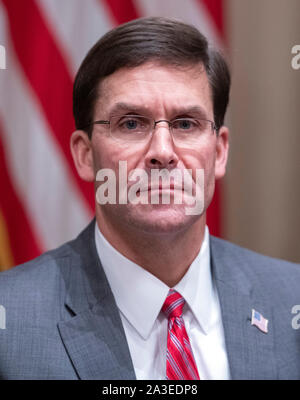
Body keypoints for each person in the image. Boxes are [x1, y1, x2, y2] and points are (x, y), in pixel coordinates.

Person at [0, 17, 299, 380]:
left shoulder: (290, 301)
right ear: (84, 154)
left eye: (186, 123)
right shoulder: (10, 322)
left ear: (219, 153)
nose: (162, 152)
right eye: (130, 123)